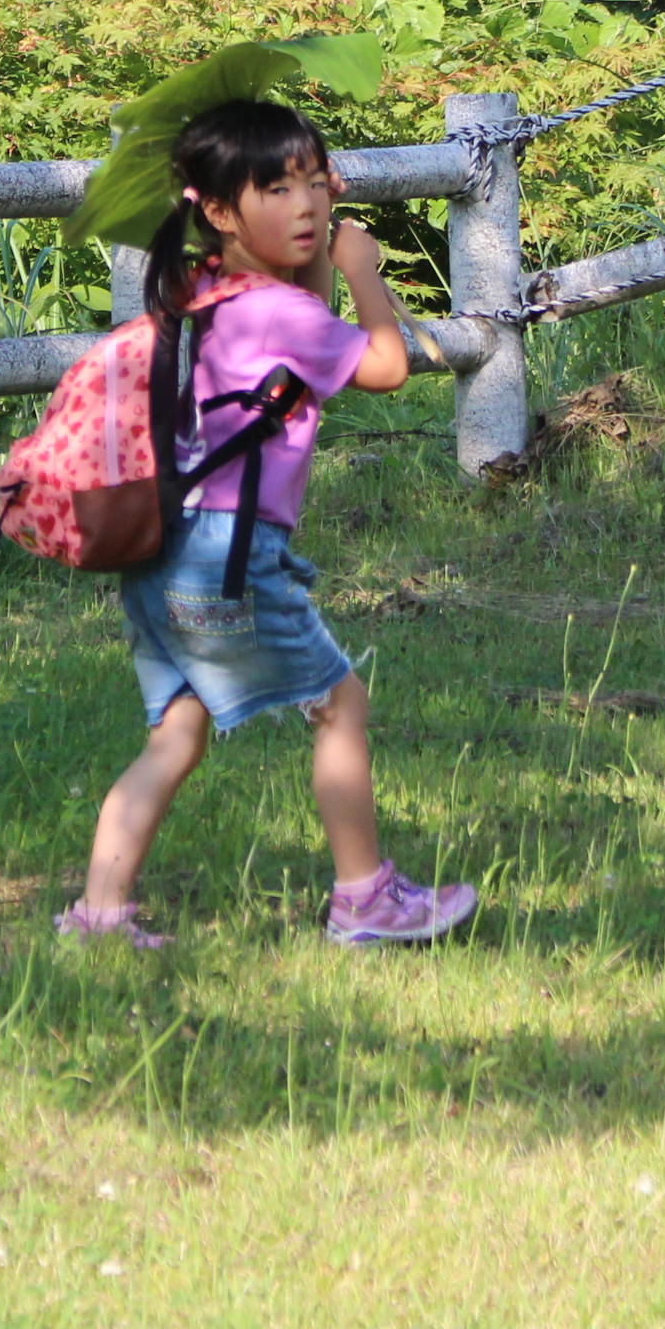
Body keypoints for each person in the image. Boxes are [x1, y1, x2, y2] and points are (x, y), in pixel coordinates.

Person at [55, 96, 481, 950]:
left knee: (176, 736)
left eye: (315, 184)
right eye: (279, 190)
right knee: (341, 704)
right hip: (229, 555)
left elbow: (306, 341)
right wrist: (361, 268)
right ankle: (365, 900)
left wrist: (319, 256)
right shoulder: (278, 312)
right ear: (219, 212)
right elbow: (385, 366)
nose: (308, 205)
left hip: (164, 552)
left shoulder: (211, 292)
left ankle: (98, 918)